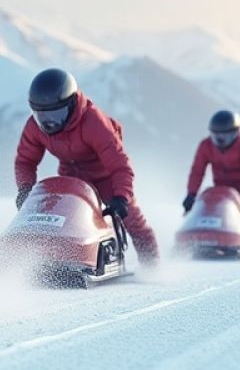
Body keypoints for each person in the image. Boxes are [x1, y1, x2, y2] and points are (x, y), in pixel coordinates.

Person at [13, 69, 160, 265]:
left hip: (106, 177)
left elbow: (121, 165)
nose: (49, 123)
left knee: (132, 220)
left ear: (72, 104)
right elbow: (25, 161)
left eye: (57, 114)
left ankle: (152, 266)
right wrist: (25, 188)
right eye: (42, 115)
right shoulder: (34, 127)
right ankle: (53, 258)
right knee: (57, 217)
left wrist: (121, 198)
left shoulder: (93, 122)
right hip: (71, 178)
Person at [184, 110, 240, 219]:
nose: (220, 140)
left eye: (225, 136)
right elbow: (197, 171)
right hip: (220, 191)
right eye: (216, 136)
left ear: (235, 133)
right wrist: (191, 194)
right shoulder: (205, 146)